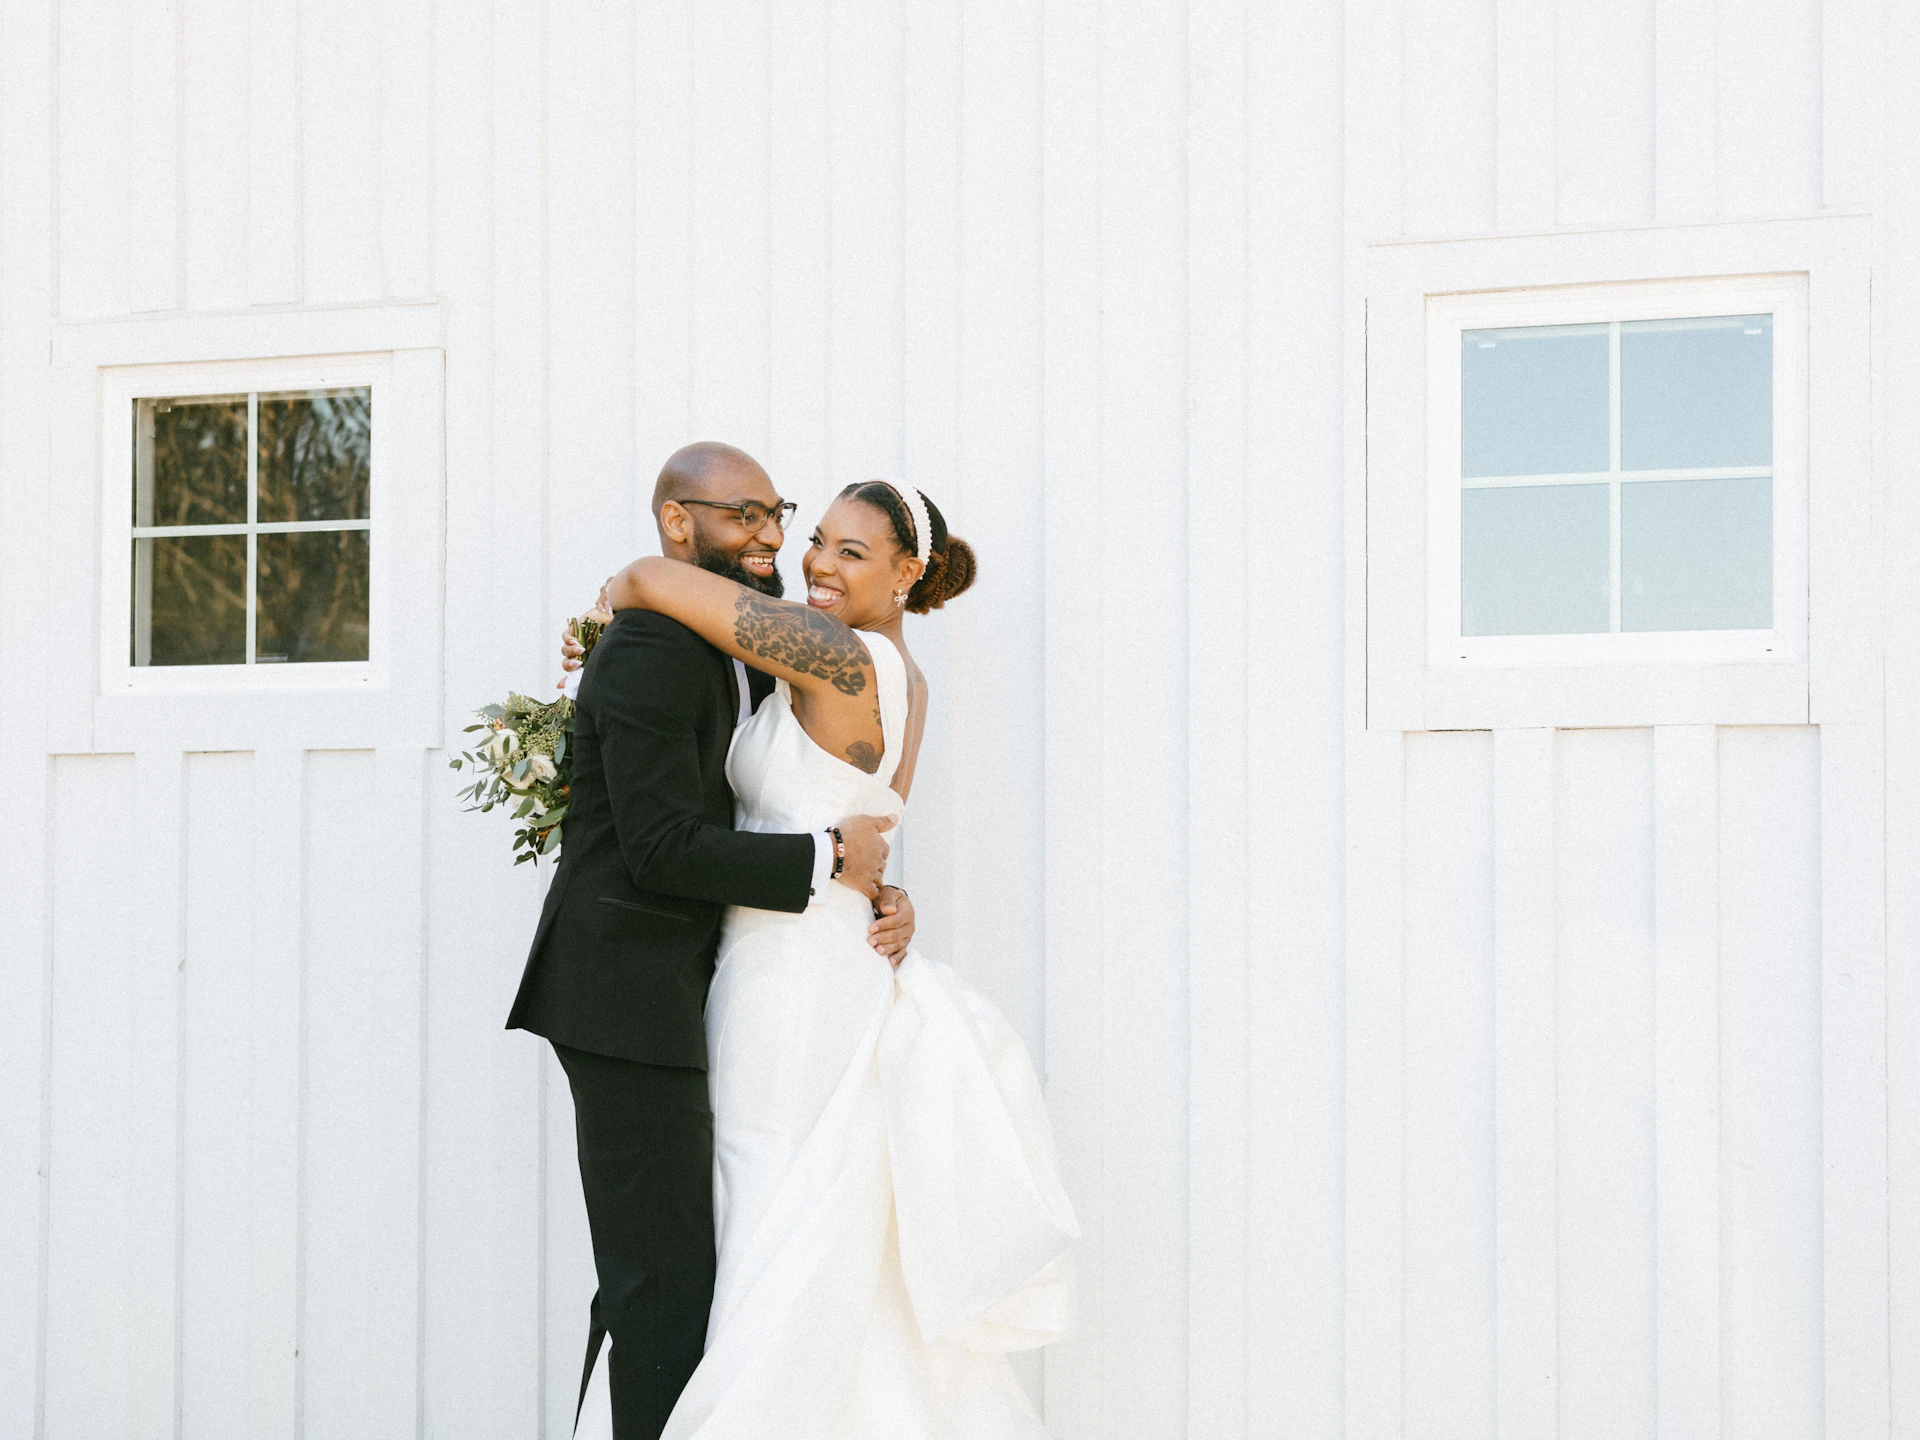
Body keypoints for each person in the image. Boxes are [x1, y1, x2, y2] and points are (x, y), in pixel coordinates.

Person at [569, 476, 1076, 1439]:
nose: (817, 562)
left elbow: (654, 575)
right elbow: (876, 819)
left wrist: (613, 595)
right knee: (783, 1208)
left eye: (852, 551)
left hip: (789, 977)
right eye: (822, 544)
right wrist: (885, 890)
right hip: (816, 950)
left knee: (764, 1209)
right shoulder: (900, 675)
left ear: (906, 573)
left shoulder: (840, 659)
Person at [507, 442, 917, 1440]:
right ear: (680, 523)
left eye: (782, 514)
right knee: (665, 1284)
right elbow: (654, 847)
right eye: (748, 517)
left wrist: (877, 891)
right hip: (626, 1000)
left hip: (713, 989)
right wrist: (829, 864)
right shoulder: (653, 643)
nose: (776, 538)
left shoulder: (747, 645)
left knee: (692, 1272)